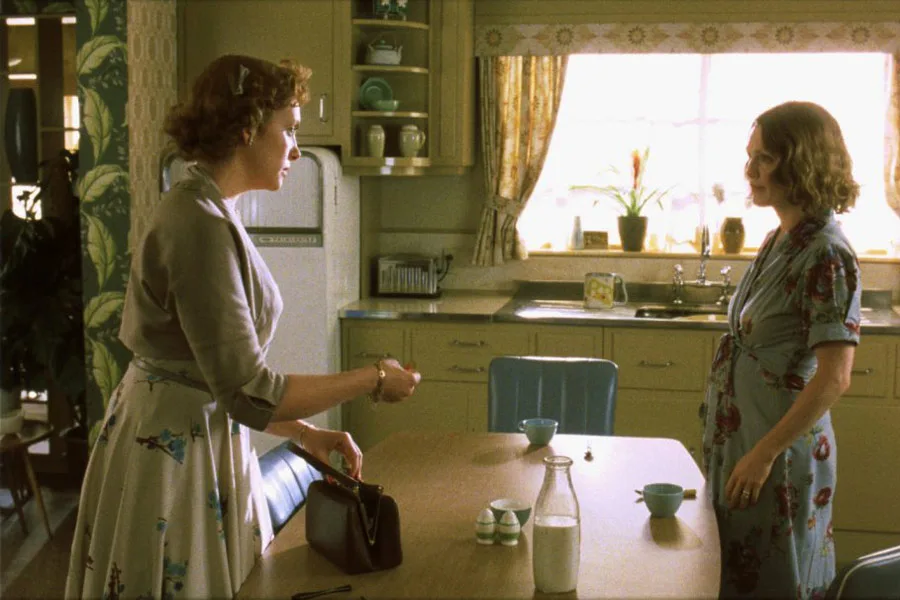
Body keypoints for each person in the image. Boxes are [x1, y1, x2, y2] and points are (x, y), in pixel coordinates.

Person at [65, 54, 421, 598]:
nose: (297, 150)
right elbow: (249, 389)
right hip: (172, 450)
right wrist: (373, 377)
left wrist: (303, 433)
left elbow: (219, 377)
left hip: (188, 432)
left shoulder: (209, 207)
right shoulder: (199, 225)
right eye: (290, 129)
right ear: (247, 127)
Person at [701, 101, 862, 599]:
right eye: (750, 156)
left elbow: (834, 377)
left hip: (778, 453)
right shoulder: (781, 237)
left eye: (764, 158)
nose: (750, 170)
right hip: (745, 442)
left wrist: (763, 454)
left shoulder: (826, 253)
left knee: (777, 582)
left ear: (801, 162)